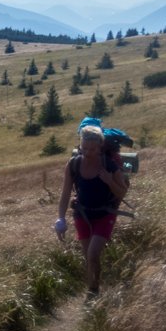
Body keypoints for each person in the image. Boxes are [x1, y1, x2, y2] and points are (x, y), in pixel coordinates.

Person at [55, 125, 129, 296]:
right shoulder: (73, 164)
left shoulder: (109, 164)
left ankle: (93, 293)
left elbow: (122, 192)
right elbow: (65, 194)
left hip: (105, 214)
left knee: (93, 254)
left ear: (100, 147)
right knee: (88, 256)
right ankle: (93, 289)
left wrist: (110, 181)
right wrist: (61, 220)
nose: (88, 152)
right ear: (80, 146)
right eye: (85, 148)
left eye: (93, 149)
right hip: (82, 215)